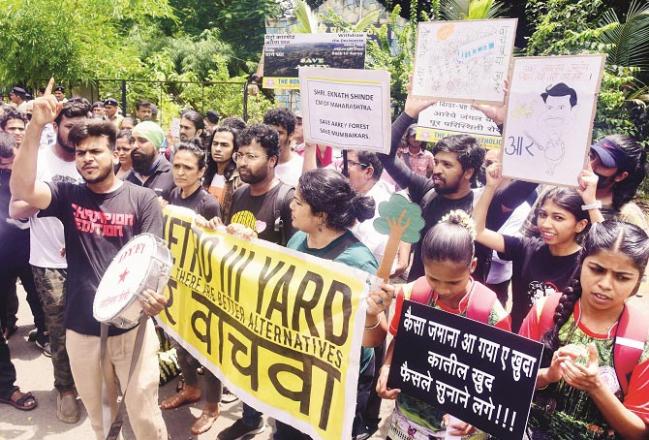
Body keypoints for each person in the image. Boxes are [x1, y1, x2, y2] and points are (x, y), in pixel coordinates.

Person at [10, 83, 168, 439]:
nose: (87, 158)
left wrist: (161, 298)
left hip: (133, 330)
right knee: (102, 418)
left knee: (144, 418)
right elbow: (22, 191)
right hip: (81, 328)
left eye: (96, 151)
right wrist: (35, 127)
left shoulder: (142, 200)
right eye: (81, 152)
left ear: (116, 154)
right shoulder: (68, 194)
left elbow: (155, 262)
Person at [267, 168, 393, 440]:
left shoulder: (357, 262)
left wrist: (372, 314)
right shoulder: (298, 239)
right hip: (297, 368)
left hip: (336, 381)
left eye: (299, 202)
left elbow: (372, 339)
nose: (291, 205)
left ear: (321, 216)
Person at [378, 87, 536, 284]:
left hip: (460, 310)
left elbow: (533, 172)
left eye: (447, 165)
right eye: (436, 161)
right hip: (417, 301)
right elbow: (384, 154)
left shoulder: (488, 202)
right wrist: (409, 113)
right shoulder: (427, 191)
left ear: (468, 172)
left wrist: (504, 122)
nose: (436, 169)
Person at [377, 210, 511, 439]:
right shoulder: (412, 294)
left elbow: (499, 376)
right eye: (433, 278)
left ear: (473, 266)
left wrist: (477, 414)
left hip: (458, 429)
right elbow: (400, 341)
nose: (443, 289)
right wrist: (388, 367)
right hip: (407, 420)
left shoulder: (491, 312)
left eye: (453, 281)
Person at [520, 220, 649, 439]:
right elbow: (511, 380)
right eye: (597, 269)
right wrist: (548, 375)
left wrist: (596, 387)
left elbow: (639, 432)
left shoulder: (642, 339)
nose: (606, 284)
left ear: (637, 282)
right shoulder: (546, 310)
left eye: (622, 277)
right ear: (582, 263)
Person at [9, 98, 90, 423]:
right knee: (59, 330)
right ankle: (66, 389)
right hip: (48, 262)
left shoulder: (92, 160)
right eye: (70, 126)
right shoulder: (38, 160)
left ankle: (94, 384)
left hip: (89, 259)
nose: (77, 134)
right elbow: (15, 208)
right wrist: (44, 199)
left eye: (82, 127)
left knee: (94, 327)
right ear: (57, 127)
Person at [216, 123, 295, 440]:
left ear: (273, 159)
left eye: (252, 156)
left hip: (274, 305)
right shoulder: (238, 194)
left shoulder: (287, 200)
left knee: (273, 371)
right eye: (240, 155)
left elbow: (298, 257)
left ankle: (280, 427)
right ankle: (250, 419)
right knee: (242, 363)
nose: (242, 162)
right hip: (240, 298)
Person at [474, 162, 603, 331]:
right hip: (519, 340)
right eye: (543, 215)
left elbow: (611, 249)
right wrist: (491, 187)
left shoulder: (585, 262)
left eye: (558, 218)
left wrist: (591, 201)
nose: (546, 224)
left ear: (580, 225)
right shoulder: (526, 248)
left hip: (556, 348)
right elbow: (477, 231)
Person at [160, 142, 222, 436]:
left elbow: (216, 246)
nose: (181, 172)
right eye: (177, 166)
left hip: (201, 290)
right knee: (180, 346)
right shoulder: (173, 195)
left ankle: (212, 407)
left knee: (206, 352)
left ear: (201, 172)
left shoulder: (207, 203)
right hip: (176, 285)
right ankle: (191, 390)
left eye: (188, 167)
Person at [589, 135, 648, 230]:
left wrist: (590, 203)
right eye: (591, 156)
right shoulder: (567, 191)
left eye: (603, 164)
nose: (591, 165)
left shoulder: (628, 214)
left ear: (620, 176)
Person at [126, 120, 175, 199]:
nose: (135, 145)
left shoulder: (172, 175)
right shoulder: (128, 176)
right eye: (132, 141)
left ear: (156, 145)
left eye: (142, 141)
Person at [204, 125, 242, 219]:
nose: (217, 149)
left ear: (235, 149)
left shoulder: (238, 180)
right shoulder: (204, 174)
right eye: (215, 143)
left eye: (224, 145)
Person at [263, 108, 303, 187]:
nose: (273, 137)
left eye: (279, 133)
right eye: (270, 132)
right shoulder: (260, 164)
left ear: (291, 135)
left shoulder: (301, 167)